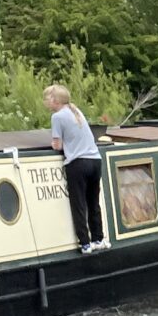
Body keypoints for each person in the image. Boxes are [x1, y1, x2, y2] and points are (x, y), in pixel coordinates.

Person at [46, 84, 108, 254]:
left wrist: (54, 143)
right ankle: (98, 239)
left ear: (56, 100)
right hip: (95, 161)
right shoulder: (76, 111)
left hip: (78, 163)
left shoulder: (57, 117)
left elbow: (57, 145)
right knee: (93, 203)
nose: (46, 101)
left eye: (48, 98)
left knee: (78, 204)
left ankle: (85, 243)